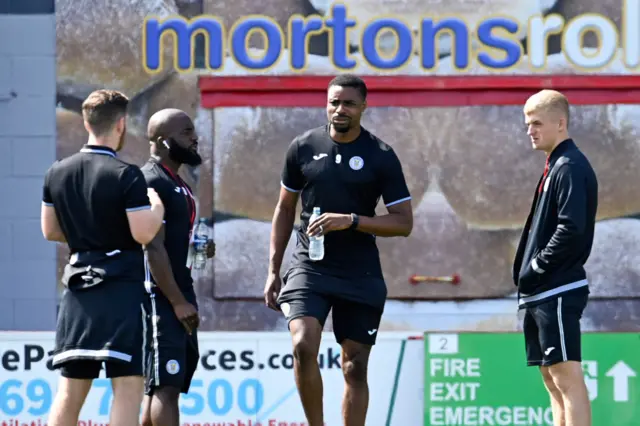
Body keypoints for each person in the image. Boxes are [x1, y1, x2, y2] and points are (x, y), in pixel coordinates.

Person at [264, 74, 413, 426]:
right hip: (310, 265)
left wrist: (352, 220)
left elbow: (403, 222)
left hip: (359, 270)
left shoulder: (381, 156)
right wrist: (273, 269)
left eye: (348, 103)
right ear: (326, 104)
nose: (339, 109)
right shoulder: (302, 146)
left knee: (355, 366)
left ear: (363, 107)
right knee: (302, 344)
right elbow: (285, 209)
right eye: (334, 102)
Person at [42, 89, 165, 426]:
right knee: (127, 388)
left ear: (86, 121)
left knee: (69, 392)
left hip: (78, 290)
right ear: (122, 124)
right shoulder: (127, 175)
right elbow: (143, 233)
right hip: (121, 291)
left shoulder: (57, 172)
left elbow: (50, 231)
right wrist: (156, 207)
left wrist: (89, 231)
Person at [513, 89, 598, 426]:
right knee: (551, 379)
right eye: (526, 124)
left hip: (557, 288)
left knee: (566, 377)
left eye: (536, 123)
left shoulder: (571, 166)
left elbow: (571, 229)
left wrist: (536, 266)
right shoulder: (557, 165)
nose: (529, 130)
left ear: (560, 123)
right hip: (541, 291)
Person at [140, 108, 216, 426]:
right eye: (186, 132)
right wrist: (177, 301)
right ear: (163, 140)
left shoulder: (179, 183)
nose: (194, 138)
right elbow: (151, 247)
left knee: (162, 387)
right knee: (166, 388)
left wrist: (198, 250)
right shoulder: (149, 180)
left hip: (179, 291)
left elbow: (172, 243)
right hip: (160, 296)